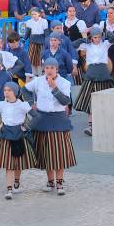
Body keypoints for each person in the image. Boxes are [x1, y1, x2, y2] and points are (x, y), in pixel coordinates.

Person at [25, 58, 76, 195]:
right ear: (43, 69)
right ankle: (50, 181)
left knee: (59, 154)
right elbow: (25, 90)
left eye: (52, 68)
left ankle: (60, 182)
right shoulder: (38, 81)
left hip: (58, 119)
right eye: (47, 68)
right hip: (42, 119)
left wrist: (54, 87)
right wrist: (31, 103)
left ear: (57, 70)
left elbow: (65, 101)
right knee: (46, 153)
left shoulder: (64, 83)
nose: (49, 70)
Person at [0, 82, 37, 199]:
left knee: (18, 163)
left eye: (9, 90)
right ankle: (9, 189)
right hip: (5, 136)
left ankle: (16, 182)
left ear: (15, 92)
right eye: (5, 90)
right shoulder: (0, 104)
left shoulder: (23, 105)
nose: (6, 92)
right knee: (9, 165)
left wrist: (26, 127)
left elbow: (36, 116)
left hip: (19, 136)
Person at [75, 25, 113, 136]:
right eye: (94, 37)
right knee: (90, 100)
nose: (96, 39)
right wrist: (84, 38)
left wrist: (104, 31)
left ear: (101, 36)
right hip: (91, 72)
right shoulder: (87, 45)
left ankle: (104, 124)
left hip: (103, 72)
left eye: (98, 37)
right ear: (91, 37)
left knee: (105, 100)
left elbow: (113, 37)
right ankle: (91, 126)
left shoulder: (105, 44)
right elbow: (73, 45)